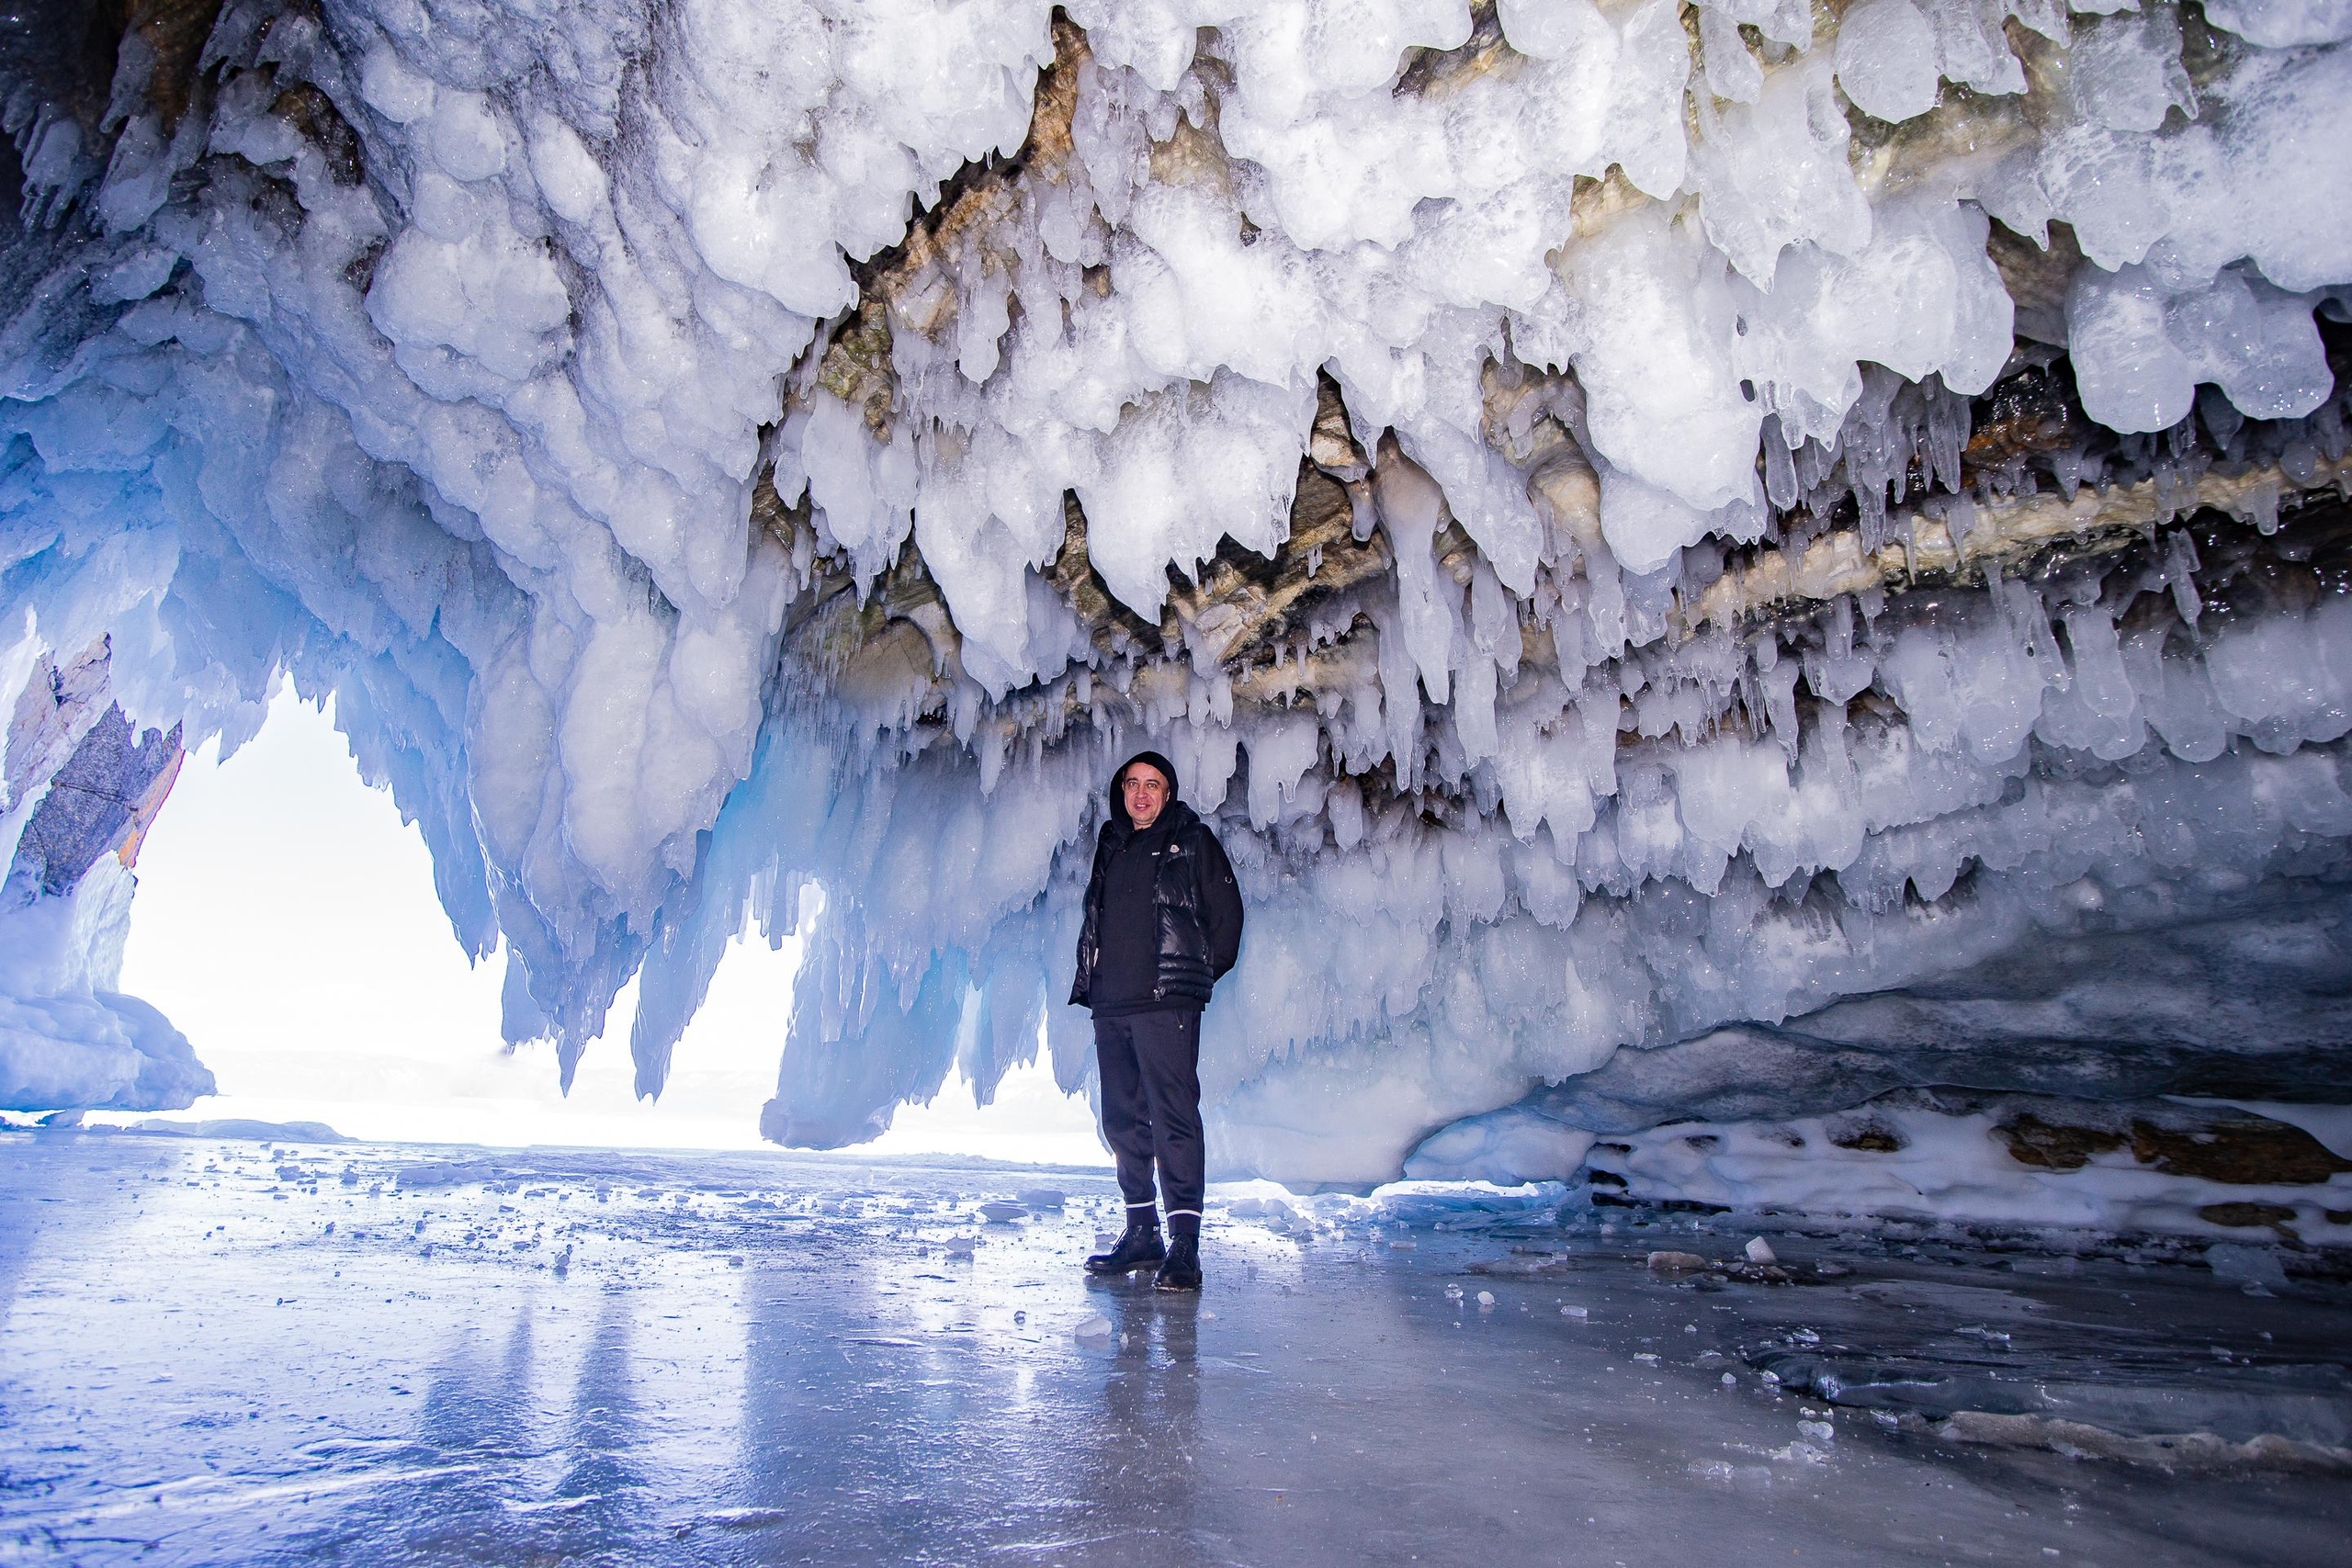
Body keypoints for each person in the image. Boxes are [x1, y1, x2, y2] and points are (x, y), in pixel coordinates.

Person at [1069, 750, 1244, 1292]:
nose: (1140, 794)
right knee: (1122, 1121)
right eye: (1132, 784)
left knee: (1174, 1118)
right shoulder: (1112, 843)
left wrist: (1191, 978)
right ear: (1121, 792)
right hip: (1111, 1004)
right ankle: (1142, 1232)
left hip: (1166, 1003)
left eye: (1152, 784)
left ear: (1168, 793)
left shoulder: (1193, 841)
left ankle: (1184, 1242)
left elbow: (1227, 919)